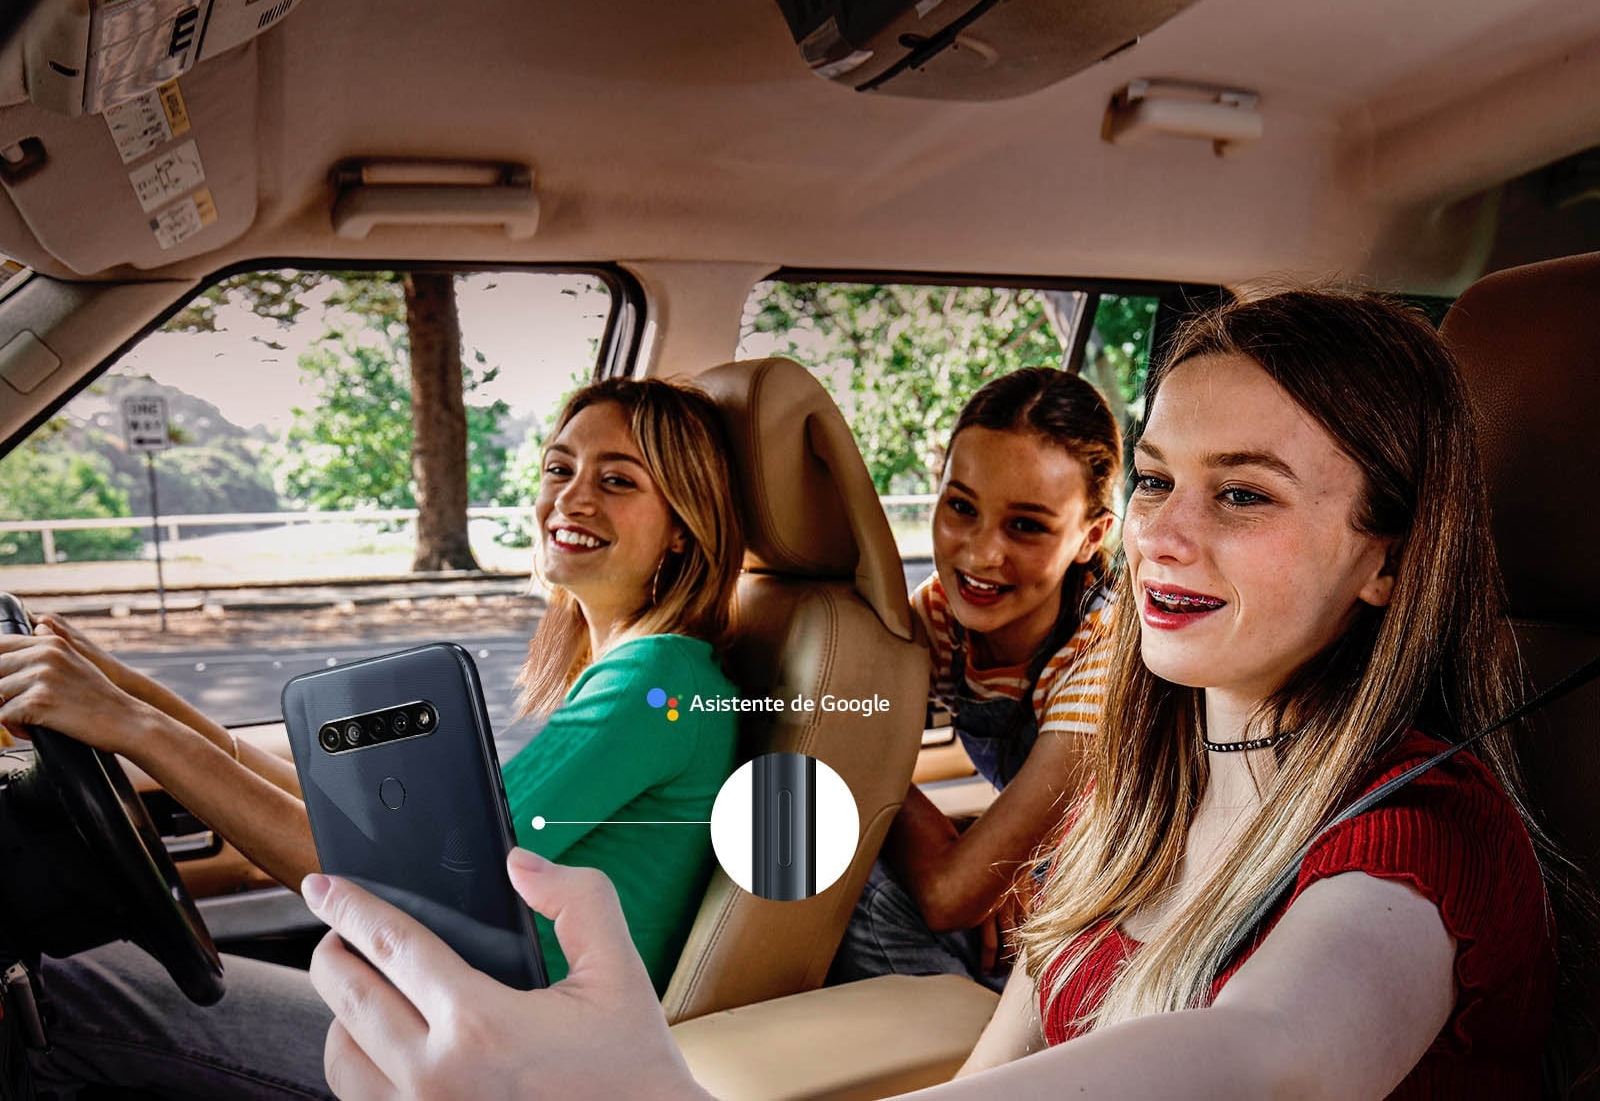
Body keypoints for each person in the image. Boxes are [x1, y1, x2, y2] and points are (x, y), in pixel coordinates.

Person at [304, 290, 1567, 1099]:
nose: (1163, 539)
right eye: (1159, 482)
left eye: (1242, 494)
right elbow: (998, 1067)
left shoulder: (1416, 841)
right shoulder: (1136, 796)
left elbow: (1269, 1057)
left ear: (1391, 558)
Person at [0, 375, 744, 1098]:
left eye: (618, 480)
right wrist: (130, 691)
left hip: (489, 1047)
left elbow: (413, 886)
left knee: (64, 992)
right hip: (451, 1008)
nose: (572, 495)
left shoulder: (658, 679)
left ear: (682, 526)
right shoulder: (651, 671)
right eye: (559, 467)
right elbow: (373, 839)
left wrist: (131, 723)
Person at [831, 367, 1119, 989]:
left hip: (1119, 913)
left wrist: (986, 863)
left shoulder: (1103, 657)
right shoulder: (938, 617)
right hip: (1049, 875)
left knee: (870, 894)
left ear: (1091, 537)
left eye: (1028, 525)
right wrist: (995, 854)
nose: (981, 554)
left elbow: (948, 895)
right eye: (962, 507)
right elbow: (850, 746)